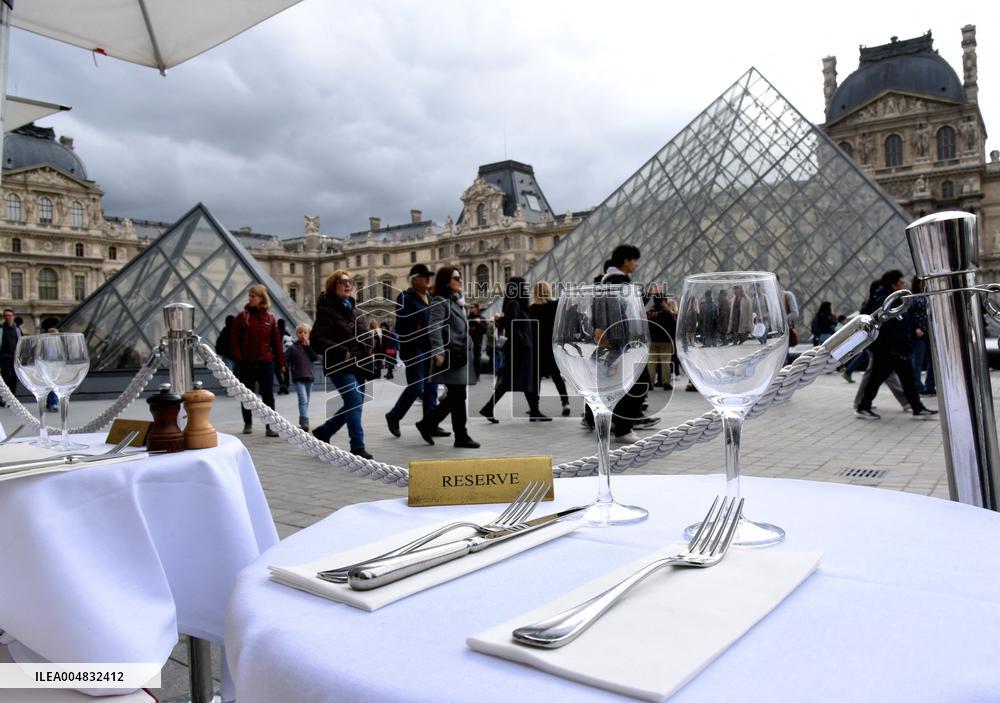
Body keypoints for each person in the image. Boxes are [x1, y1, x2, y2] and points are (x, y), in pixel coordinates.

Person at [855, 270, 938, 421]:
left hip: (896, 349)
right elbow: (888, 326)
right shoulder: (884, 300)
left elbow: (904, 322)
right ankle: (863, 407)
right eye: (900, 282)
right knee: (877, 379)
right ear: (893, 284)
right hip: (889, 349)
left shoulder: (892, 299)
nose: (903, 284)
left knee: (907, 379)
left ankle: (917, 408)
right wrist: (899, 344)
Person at [310, 270, 374, 458]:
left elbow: (362, 334)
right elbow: (316, 339)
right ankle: (357, 446)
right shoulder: (326, 310)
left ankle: (324, 432)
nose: (348, 285)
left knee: (354, 402)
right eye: (343, 281)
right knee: (354, 401)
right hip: (339, 364)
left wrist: (370, 343)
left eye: (350, 282)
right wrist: (341, 351)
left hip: (359, 364)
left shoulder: (355, 310)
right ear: (333, 285)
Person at [419, 266, 480, 448]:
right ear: (446, 281)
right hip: (450, 354)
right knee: (457, 396)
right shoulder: (441, 301)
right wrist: (438, 351)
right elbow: (434, 326)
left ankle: (440, 428)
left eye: (460, 277)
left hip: (459, 353)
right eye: (456, 278)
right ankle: (451, 432)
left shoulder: (456, 301)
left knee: (457, 395)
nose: (460, 280)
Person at [384, 264, 446, 440]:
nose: (428, 278)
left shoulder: (431, 297)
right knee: (417, 386)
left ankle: (430, 424)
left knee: (432, 386)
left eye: (429, 276)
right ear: (414, 279)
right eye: (424, 276)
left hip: (429, 348)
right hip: (413, 349)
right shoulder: (406, 298)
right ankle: (394, 416)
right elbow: (403, 326)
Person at [479, 276, 550, 423]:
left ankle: (533, 411)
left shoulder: (515, 304)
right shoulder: (514, 304)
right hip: (519, 351)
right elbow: (513, 326)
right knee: (511, 382)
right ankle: (489, 408)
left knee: (522, 381)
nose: (526, 290)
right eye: (523, 287)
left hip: (522, 350)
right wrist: (524, 342)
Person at [232, 285, 286, 437]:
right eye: (249, 296)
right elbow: (234, 339)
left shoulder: (270, 318)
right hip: (247, 362)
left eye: (253, 296)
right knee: (247, 395)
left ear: (261, 298)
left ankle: (271, 425)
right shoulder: (243, 317)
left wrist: (281, 363)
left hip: (265, 362)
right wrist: (239, 358)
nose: (250, 299)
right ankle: (248, 422)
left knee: (268, 395)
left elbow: (276, 342)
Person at [529, 281, 571, 416]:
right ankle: (565, 403)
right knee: (557, 377)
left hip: (537, 348)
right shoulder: (554, 305)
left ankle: (534, 406)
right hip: (551, 348)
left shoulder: (532, 309)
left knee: (536, 379)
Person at [287, 323, 318, 431]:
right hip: (298, 377)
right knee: (303, 399)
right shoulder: (292, 347)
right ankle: (305, 422)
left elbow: (315, 358)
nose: (302, 335)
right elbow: (287, 360)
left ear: (309, 334)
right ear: (296, 334)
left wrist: (308, 346)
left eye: (305, 332)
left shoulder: (311, 346)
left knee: (306, 400)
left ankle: (303, 420)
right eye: (300, 332)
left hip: (309, 377)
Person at [909, 276, 936, 396]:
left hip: (931, 332)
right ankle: (917, 386)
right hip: (919, 333)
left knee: (933, 361)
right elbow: (908, 316)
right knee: (918, 361)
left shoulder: (930, 295)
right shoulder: (912, 297)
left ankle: (930, 386)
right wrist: (915, 328)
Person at [646, 295, 676, 389]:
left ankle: (650, 383)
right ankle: (666, 383)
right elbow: (674, 326)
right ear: (663, 300)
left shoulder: (649, 313)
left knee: (651, 362)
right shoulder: (667, 313)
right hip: (665, 341)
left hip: (652, 341)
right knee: (665, 362)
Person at [0, 309, 22, 407]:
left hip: (14, 358)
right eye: (5, 315)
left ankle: (12, 399)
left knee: (14, 379)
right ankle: (4, 399)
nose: (7, 317)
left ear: (13, 316)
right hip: (4, 358)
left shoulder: (17, 329)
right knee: (5, 378)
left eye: (9, 315)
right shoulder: (1, 328)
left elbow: (21, 342)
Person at [467, 303, 487, 379]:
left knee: (477, 357)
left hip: (477, 341)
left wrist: (480, 323)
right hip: (468, 340)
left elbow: (485, 330)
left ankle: (477, 375)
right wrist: (468, 329)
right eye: (470, 307)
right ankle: (468, 374)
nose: (470, 309)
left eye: (472, 307)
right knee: (468, 357)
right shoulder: (468, 317)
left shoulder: (482, 318)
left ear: (476, 308)